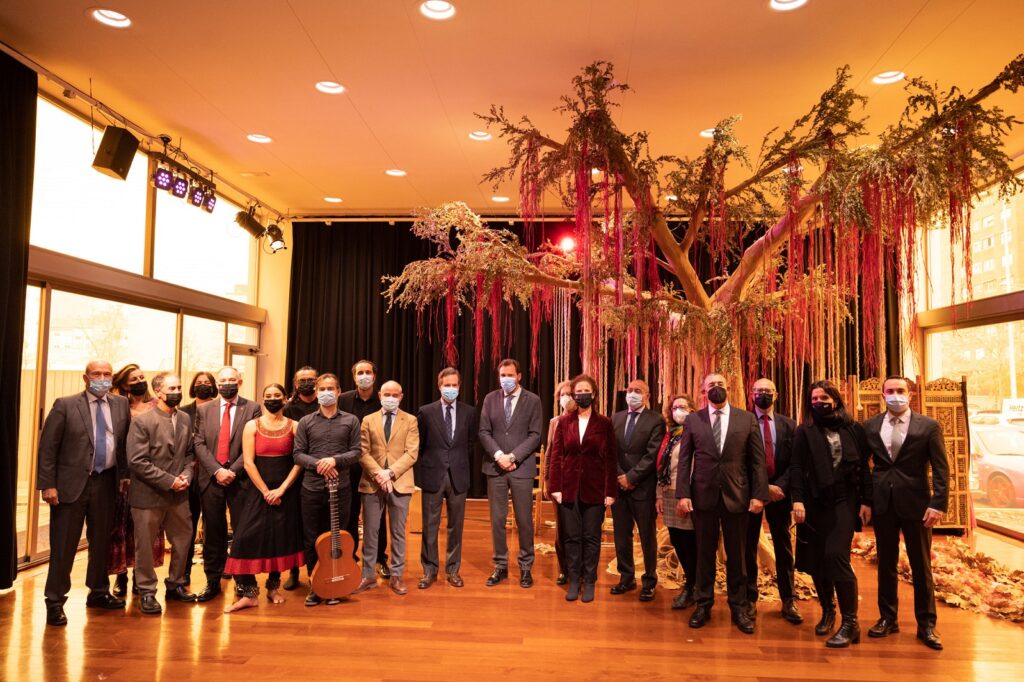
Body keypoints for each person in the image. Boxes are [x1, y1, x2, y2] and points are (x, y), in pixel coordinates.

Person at [36, 360, 130, 626]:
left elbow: (122, 444)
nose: (102, 378)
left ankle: (98, 592)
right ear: (85, 378)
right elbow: (48, 448)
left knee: (101, 543)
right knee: (63, 546)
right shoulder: (65, 405)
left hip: (106, 483)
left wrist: (124, 475)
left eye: (107, 374)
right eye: (96, 374)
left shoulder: (120, 405)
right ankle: (55, 601)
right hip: (70, 486)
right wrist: (48, 484)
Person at [676, 373, 768, 634]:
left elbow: (757, 461)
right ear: (703, 391)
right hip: (702, 496)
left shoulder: (746, 418)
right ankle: (703, 604)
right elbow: (685, 460)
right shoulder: (693, 420)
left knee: (737, 555)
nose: (716, 388)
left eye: (720, 384)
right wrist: (683, 494)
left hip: (737, 497)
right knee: (704, 553)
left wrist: (759, 495)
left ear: (729, 388)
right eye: (711, 385)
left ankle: (738, 606)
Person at [863, 375, 949, 651]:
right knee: (885, 563)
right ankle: (888, 619)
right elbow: (863, 467)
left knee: (921, 565)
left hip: (917, 505)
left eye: (900, 390)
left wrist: (938, 503)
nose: (895, 395)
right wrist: (865, 501)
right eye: (890, 391)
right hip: (883, 504)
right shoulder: (870, 426)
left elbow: (941, 468)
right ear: (882, 395)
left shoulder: (929, 426)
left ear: (910, 395)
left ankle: (927, 625)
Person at [790, 380, 871, 647]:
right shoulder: (804, 431)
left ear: (835, 400)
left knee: (836, 556)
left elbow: (864, 468)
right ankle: (828, 611)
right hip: (813, 503)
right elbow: (796, 467)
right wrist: (797, 501)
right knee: (817, 560)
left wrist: (866, 501)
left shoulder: (854, 429)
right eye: (814, 399)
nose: (818, 402)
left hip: (845, 500)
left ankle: (851, 623)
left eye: (823, 398)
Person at [223, 383, 304, 613]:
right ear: (263, 399)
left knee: (279, 538)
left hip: (286, 491)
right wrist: (266, 491)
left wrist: (281, 490)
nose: (272, 399)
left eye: (277, 395)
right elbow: (248, 462)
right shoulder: (252, 425)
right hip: (257, 490)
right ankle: (249, 594)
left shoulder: (295, 426)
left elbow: (298, 461)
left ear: (285, 398)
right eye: (268, 395)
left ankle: (273, 588)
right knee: (243, 538)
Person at [126, 372, 197, 615]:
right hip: (148, 495)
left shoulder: (185, 418)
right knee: (145, 546)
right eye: (172, 388)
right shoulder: (142, 421)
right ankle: (147, 591)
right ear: (158, 392)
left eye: (179, 387)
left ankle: (175, 584)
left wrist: (186, 476)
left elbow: (189, 454)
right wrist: (169, 481)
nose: (177, 392)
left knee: (183, 540)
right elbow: (137, 461)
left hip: (179, 495)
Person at [193, 366, 262, 602]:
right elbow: (199, 443)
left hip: (240, 479)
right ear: (217, 384)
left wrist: (232, 471)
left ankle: (244, 582)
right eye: (223, 380)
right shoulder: (204, 410)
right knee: (213, 532)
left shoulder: (252, 408)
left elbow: (253, 444)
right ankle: (212, 581)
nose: (227, 384)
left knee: (242, 532)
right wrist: (217, 471)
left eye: (232, 379)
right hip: (211, 479)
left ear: (240, 382)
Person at [293, 373, 362, 606]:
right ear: (316, 392)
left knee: (338, 537)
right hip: (311, 489)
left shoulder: (351, 420)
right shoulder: (306, 422)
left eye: (330, 388)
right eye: (321, 389)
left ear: (339, 391)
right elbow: (298, 454)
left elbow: (356, 451)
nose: (326, 393)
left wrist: (334, 460)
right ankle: (316, 585)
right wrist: (318, 464)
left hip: (341, 488)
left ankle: (335, 584)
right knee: (312, 538)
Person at [547, 374, 617, 603]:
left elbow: (610, 459)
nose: (582, 395)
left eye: (586, 391)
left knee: (592, 537)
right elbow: (556, 456)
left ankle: (590, 580)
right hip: (568, 489)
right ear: (574, 395)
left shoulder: (604, 423)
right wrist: (555, 486)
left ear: (594, 394)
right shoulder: (564, 422)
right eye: (578, 391)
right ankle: (574, 580)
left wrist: (610, 491)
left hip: (595, 489)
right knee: (571, 537)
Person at [478, 358, 543, 588]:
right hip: (495, 467)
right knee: (497, 520)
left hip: (521, 468)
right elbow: (484, 431)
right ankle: (500, 566)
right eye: (502, 375)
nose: (506, 379)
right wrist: (499, 456)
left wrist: (513, 457)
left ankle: (525, 567)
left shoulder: (532, 400)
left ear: (519, 376)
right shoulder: (490, 399)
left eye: (510, 375)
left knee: (524, 520)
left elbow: (535, 435)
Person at [355, 380, 420, 595]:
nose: (390, 398)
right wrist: (379, 474)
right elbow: (362, 451)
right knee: (370, 532)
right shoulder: (368, 420)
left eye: (395, 395)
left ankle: (397, 576)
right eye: (386, 394)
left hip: (399, 482)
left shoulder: (410, 420)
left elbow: (412, 453)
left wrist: (390, 473)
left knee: (398, 533)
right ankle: (368, 576)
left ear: (401, 397)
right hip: (372, 483)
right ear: (380, 395)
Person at [745, 378, 801, 624]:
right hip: (752, 495)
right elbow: (740, 461)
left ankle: (788, 599)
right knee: (748, 547)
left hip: (780, 493)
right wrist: (762, 488)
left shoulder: (789, 424)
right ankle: (749, 598)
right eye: (758, 391)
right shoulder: (743, 422)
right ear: (751, 394)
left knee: (784, 546)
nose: (763, 395)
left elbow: (795, 462)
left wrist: (779, 487)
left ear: (776, 395)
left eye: (767, 391)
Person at [415, 368, 477, 589]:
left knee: (455, 526)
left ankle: (452, 570)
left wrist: (456, 461)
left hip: (458, 475)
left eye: (454, 385)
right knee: (430, 525)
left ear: (459, 386)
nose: (451, 388)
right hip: (433, 474)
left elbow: (470, 443)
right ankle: (429, 570)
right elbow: (420, 445)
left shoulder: (469, 412)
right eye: (447, 385)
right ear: (439, 386)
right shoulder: (426, 412)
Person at [108, 363, 161, 599]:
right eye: (134, 379)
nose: (140, 381)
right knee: (121, 526)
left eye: (141, 377)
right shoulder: (119, 407)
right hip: (124, 475)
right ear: (124, 385)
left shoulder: (157, 405)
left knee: (145, 528)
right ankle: (121, 576)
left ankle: (142, 577)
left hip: (150, 475)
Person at [610, 379, 665, 602]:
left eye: (638, 391)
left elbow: (653, 455)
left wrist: (631, 478)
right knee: (621, 535)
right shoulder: (616, 418)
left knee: (647, 536)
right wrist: (620, 477)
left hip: (643, 488)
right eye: (630, 390)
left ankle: (649, 581)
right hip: (619, 487)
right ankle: (626, 577)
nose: (632, 394)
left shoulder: (656, 420)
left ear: (647, 396)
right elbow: (610, 452)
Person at [338, 360, 387, 577]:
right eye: (360, 372)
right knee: (348, 515)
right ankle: (349, 558)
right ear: (354, 376)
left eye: (368, 372)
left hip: (375, 467)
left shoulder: (383, 399)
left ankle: (379, 558)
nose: (364, 376)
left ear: (374, 376)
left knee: (377, 517)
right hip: (348, 467)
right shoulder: (343, 400)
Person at [655, 394, 698, 610]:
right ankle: (691, 583)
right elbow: (661, 466)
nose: (678, 411)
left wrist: (685, 495)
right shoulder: (670, 435)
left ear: (692, 410)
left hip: (685, 495)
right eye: (674, 408)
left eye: (683, 406)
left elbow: (694, 468)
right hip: (668, 492)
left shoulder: (695, 433)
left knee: (689, 541)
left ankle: (693, 586)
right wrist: (659, 495)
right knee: (677, 539)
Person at [281, 365, 319, 591]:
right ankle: (294, 570)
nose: (307, 383)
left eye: (311, 379)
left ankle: (319, 570)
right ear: (295, 384)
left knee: (317, 526)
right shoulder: (288, 409)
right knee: (294, 524)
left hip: (318, 471)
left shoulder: (324, 404)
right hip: (294, 470)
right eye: (302, 380)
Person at [180, 371, 217, 587]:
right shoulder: (184, 412)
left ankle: (215, 571)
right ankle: (183, 571)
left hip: (213, 473)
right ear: (193, 386)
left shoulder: (219, 408)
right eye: (199, 382)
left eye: (207, 382)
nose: (203, 385)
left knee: (214, 524)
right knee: (188, 525)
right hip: (190, 474)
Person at [544, 380, 575, 585]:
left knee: (578, 528)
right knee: (561, 528)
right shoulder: (554, 422)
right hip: (559, 482)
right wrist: (547, 480)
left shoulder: (587, 420)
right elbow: (549, 451)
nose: (566, 398)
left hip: (580, 482)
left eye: (570, 394)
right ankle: (564, 569)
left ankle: (579, 569)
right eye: (562, 395)